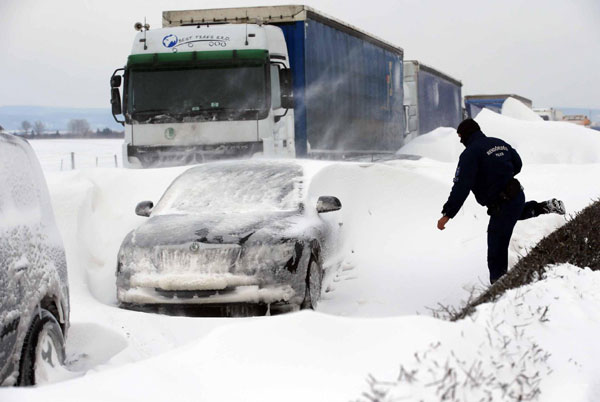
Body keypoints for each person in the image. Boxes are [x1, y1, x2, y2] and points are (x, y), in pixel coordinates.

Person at [437, 118, 565, 284]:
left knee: (496, 246)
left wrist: (448, 214)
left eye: (460, 136)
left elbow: (461, 187)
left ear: (466, 135)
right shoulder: (499, 143)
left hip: (502, 203)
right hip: (516, 194)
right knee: (516, 212)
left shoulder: (470, 154)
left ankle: (499, 286)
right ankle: (546, 207)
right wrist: (501, 174)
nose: (460, 140)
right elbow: (517, 164)